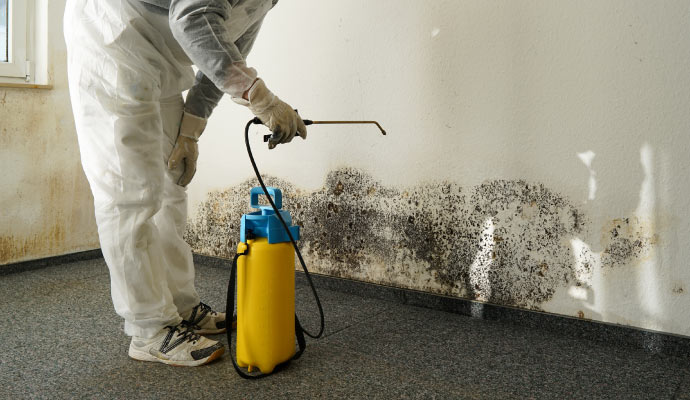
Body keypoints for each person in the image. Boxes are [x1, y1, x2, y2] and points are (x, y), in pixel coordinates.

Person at [64, 0, 306, 367]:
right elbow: (193, 17)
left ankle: (181, 305)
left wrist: (191, 129)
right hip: (112, 40)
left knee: (171, 182)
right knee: (131, 194)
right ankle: (148, 328)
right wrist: (260, 98)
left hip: (160, 58)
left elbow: (227, 53)